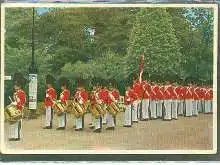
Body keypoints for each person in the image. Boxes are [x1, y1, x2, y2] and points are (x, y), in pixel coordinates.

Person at [8, 73, 26, 141]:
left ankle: (17, 136)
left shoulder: (22, 92)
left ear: (19, 86)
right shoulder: (15, 93)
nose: (15, 86)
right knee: (14, 123)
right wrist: (13, 103)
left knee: (18, 123)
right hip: (14, 109)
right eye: (15, 85)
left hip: (19, 109)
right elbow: (15, 100)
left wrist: (16, 103)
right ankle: (13, 136)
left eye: (16, 85)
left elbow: (23, 101)